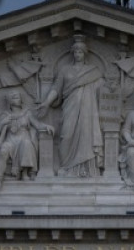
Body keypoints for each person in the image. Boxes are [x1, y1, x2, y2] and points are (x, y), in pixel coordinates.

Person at [37, 35, 103, 177]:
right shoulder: (65, 70)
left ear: (85, 54)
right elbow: (56, 88)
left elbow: (103, 90)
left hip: (88, 111)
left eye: (80, 52)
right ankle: (67, 167)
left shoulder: (92, 71)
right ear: (72, 53)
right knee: (66, 135)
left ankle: (86, 169)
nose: (78, 54)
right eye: (76, 52)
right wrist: (46, 103)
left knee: (87, 135)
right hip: (69, 108)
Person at [0, 91, 53, 193]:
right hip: (10, 140)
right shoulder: (5, 115)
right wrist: (3, 123)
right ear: (10, 101)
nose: (17, 99)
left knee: (26, 143)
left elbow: (37, 124)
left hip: (23, 138)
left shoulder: (26, 113)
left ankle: (25, 173)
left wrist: (46, 126)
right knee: (4, 150)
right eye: (14, 97)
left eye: (18, 97)